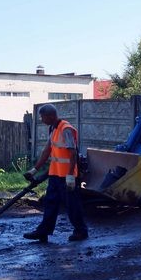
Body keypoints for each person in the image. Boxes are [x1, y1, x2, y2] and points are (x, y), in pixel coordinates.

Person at [22, 104, 88, 243]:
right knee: (50, 203)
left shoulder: (66, 129)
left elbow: (73, 153)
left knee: (72, 204)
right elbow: (47, 151)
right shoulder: (53, 128)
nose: (41, 119)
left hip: (67, 177)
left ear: (50, 116)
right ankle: (43, 231)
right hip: (55, 174)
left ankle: (81, 231)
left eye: (42, 116)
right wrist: (34, 170)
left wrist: (70, 176)